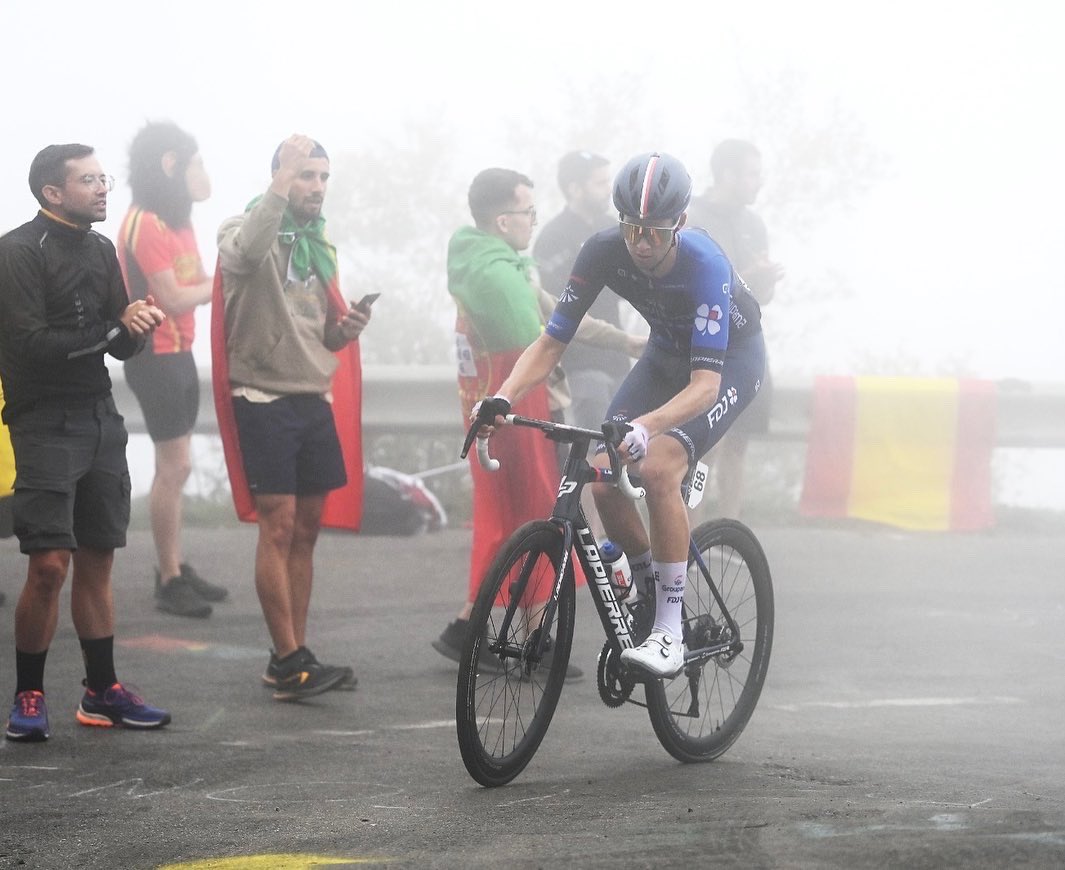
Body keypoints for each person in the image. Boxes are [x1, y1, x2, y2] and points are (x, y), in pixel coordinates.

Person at [474, 152, 766, 677]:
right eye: (632, 228)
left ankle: (669, 633)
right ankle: (646, 580)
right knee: (606, 481)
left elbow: (705, 385)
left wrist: (648, 426)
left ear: (678, 224)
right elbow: (551, 341)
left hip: (729, 364)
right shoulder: (603, 250)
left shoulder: (705, 263)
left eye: (654, 231)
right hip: (664, 354)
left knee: (656, 468)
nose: (641, 242)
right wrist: (503, 398)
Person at [433, 168, 640, 678]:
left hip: (501, 404)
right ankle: (528, 641)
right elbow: (541, 345)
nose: (533, 221)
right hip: (516, 407)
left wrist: (628, 342)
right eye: (528, 212)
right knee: (535, 516)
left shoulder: (508, 265)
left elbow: (561, 319)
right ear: (503, 220)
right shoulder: (495, 276)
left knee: (511, 519)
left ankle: (469, 628)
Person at [0, 143, 171, 741]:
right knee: (49, 564)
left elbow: (118, 344)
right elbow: (31, 346)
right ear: (53, 192)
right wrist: (113, 328)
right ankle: (28, 694)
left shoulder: (101, 249)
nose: (104, 188)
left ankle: (102, 692)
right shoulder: (17, 251)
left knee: (98, 560)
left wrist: (137, 326)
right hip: (44, 420)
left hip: (101, 418)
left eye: (105, 178)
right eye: (89, 180)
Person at [215, 134, 369, 702]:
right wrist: (278, 183)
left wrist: (343, 330)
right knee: (276, 525)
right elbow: (245, 256)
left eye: (323, 177)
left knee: (305, 531)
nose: (317, 187)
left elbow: (320, 330)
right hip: (261, 395)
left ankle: (293, 656)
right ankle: (287, 657)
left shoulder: (318, 245)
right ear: (280, 176)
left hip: (312, 395)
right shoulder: (241, 225)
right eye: (307, 175)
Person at [117, 121, 228, 618]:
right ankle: (167, 577)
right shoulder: (143, 222)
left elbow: (198, 282)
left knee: (176, 466)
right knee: (174, 467)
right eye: (195, 161)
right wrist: (230, 276)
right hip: (153, 355)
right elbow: (175, 295)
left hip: (180, 351)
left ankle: (176, 566)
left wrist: (217, 279)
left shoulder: (178, 221)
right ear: (170, 164)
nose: (203, 171)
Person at [685, 139, 783, 518]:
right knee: (708, 446)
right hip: (709, 345)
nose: (758, 182)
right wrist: (745, 277)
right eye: (751, 174)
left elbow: (761, 298)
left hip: (749, 346)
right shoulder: (694, 218)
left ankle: (729, 533)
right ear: (726, 174)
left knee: (739, 443)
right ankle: (688, 534)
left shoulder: (753, 223)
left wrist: (765, 281)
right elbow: (695, 286)